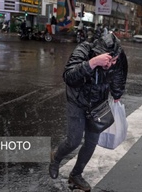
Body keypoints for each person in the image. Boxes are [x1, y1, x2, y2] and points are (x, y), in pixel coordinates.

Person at [48, 33, 128, 191]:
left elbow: (119, 75)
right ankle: (56, 158)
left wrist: (117, 94)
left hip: (98, 102)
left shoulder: (119, 55)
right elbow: (69, 77)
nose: (110, 64)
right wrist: (92, 63)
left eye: (114, 61)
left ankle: (76, 174)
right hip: (77, 100)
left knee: (91, 142)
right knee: (74, 140)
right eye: (107, 60)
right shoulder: (84, 50)